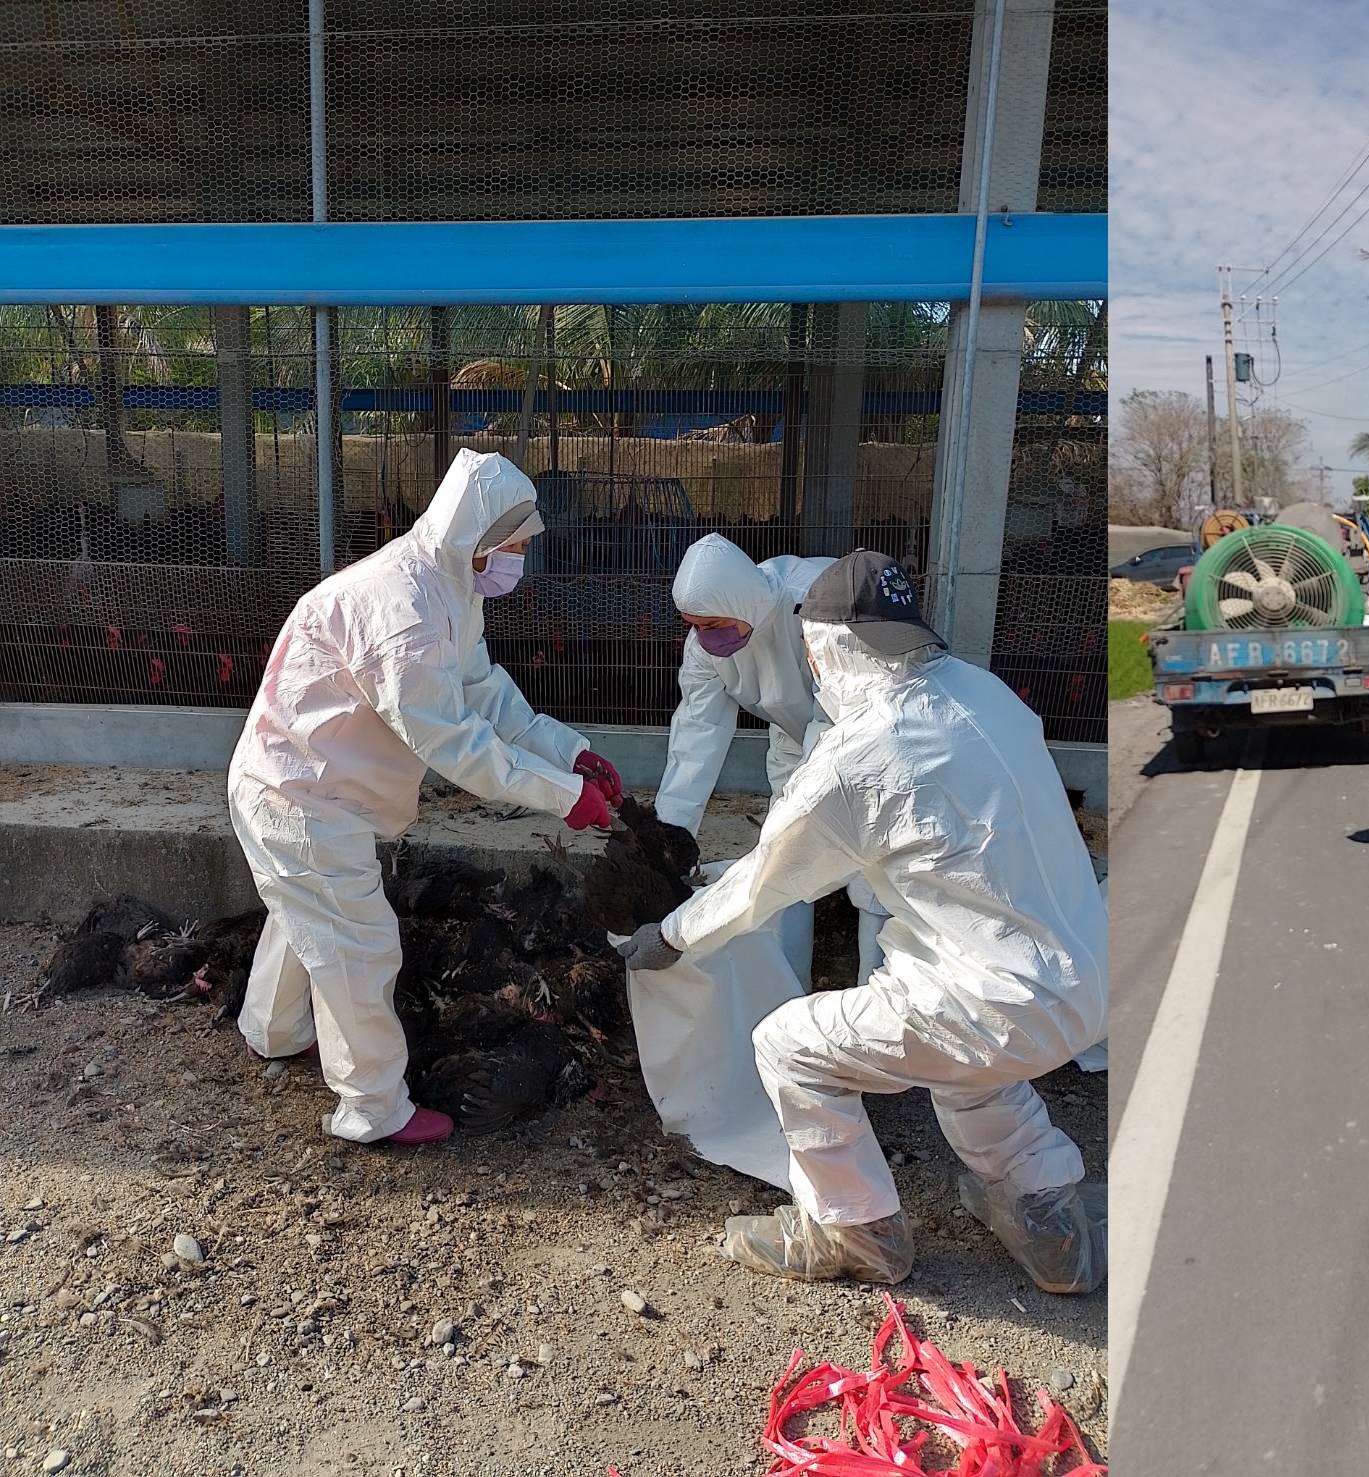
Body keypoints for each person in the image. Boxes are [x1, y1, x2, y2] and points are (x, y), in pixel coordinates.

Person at [614, 550, 1106, 1293]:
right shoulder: (986, 692)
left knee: (787, 1044)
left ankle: (857, 1230)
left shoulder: (861, 753)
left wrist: (674, 932)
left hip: (1004, 1003)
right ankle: (1049, 1220)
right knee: (965, 1064)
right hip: (1088, 981)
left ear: (825, 647)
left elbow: (764, 883)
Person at [228, 449, 621, 1146]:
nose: (520, 557)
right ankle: (371, 1107)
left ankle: (273, 1030)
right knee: (359, 945)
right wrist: (565, 797)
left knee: (306, 913)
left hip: (306, 786)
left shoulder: (443, 583)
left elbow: (483, 690)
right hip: (300, 795)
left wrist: (569, 751)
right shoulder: (404, 615)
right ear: (479, 540)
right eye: (516, 545)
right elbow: (459, 744)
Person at [652, 533, 888, 984]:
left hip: (868, 737)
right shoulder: (706, 644)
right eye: (693, 625)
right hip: (795, 736)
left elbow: (840, 708)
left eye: (712, 623)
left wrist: (809, 799)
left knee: (872, 869)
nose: (704, 636)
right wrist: (670, 835)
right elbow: (697, 732)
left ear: (742, 605)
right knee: (787, 861)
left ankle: (874, 993)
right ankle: (787, 994)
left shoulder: (813, 605)